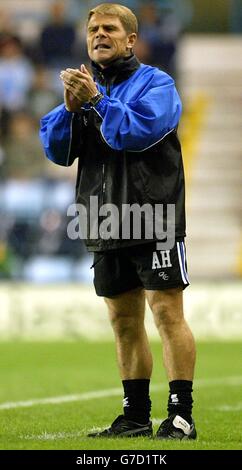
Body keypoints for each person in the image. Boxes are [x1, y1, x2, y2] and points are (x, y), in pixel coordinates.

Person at [39, 3, 197, 440]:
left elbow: (137, 132)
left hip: (155, 214)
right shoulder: (85, 90)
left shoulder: (157, 84)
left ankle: (181, 415)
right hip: (105, 218)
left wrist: (95, 101)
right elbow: (56, 150)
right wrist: (71, 110)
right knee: (123, 322)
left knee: (166, 313)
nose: (99, 34)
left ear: (131, 40)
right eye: (93, 29)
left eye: (110, 28)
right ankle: (135, 416)